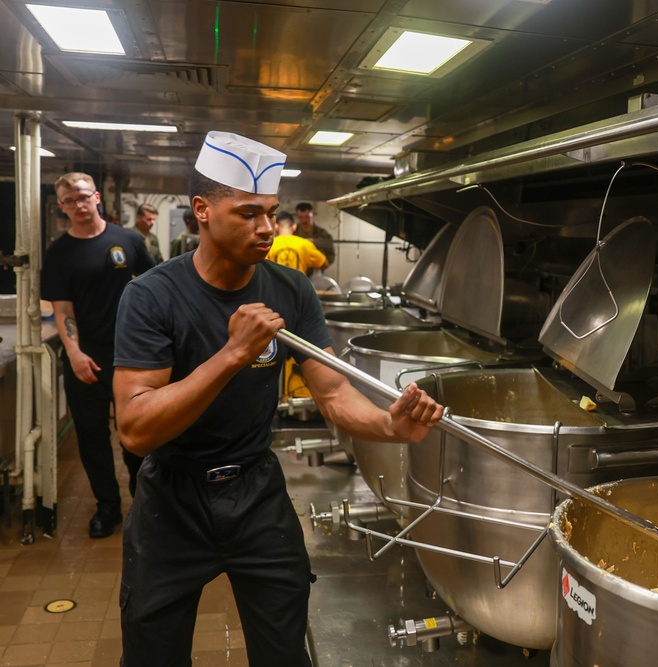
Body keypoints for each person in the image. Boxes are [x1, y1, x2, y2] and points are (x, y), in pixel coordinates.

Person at [112, 131, 444, 666]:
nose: (266, 227)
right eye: (248, 213)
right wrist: (231, 354)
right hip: (174, 499)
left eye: (270, 212)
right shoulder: (152, 296)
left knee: (284, 653)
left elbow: (334, 394)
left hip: (255, 492)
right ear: (202, 210)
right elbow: (135, 427)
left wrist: (391, 425)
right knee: (154, 654)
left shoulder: (291, 289)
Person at [40, 172, 154, 538]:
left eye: (84, 197)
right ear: (62, 208)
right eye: (70, 201)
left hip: (132, 356)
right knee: (91, 437)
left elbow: (155, 288)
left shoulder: (128, 240)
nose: (79, 205)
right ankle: (107, 507)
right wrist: (73, 353)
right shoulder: (58, 254)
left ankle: (145, 501)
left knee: (135, 432)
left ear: (96, 198)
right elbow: (63, 308)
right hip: (85, 358)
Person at [267, 211, 328, 275]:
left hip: (275, 284)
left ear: (276, 226)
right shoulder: (305, 244)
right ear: (294, 227)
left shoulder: (269, 244)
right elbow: (324, 263)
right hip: (299, 284)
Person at [293, 202, 335, 271]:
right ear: (297, 216)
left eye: (307, 217)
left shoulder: (322, 234)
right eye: (301, 217)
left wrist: (322, 265)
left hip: (316, 272)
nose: (304, 221)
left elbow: (330, 253)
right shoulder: (293, 233)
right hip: (296, 271)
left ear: (313, 215)